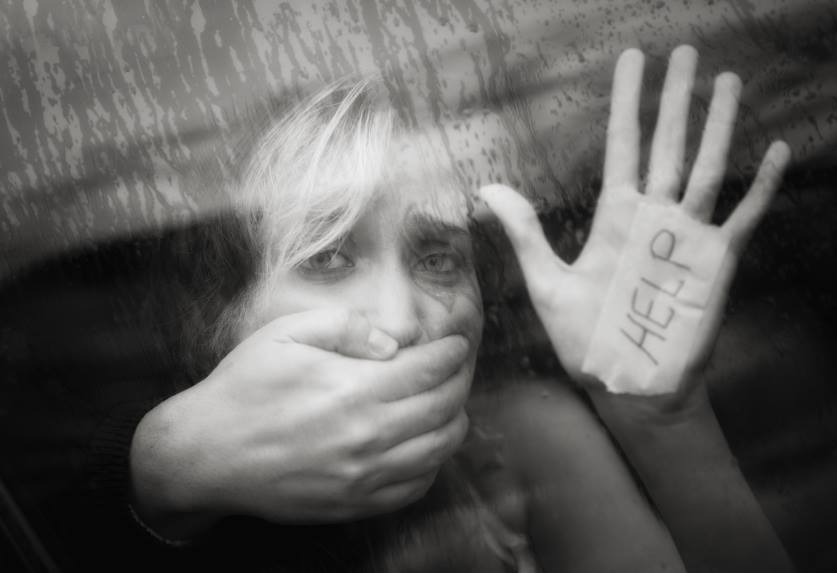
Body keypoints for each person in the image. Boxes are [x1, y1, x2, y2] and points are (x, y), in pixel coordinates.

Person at [0, 45, 795, 571]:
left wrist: (660, 418)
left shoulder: (521, 442)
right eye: (327, 256)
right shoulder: (175, 506)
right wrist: (159, 474)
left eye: (437, 256)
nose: (405, 319)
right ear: (218, 322)